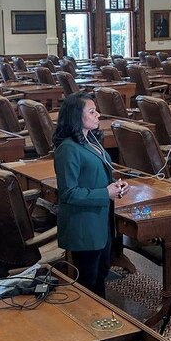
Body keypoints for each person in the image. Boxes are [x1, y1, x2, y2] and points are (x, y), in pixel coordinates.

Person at [52, 92, 128, 297]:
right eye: (92, 111)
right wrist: (105, 193)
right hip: (83, 225)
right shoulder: (68, 149)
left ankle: (101, 320)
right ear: (77, 116)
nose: (98, 115)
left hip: (100, 221)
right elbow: (68, 193)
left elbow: (94, 176)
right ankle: (90, 323)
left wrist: (114, 187)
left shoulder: (89, 141)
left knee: (101, 273)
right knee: (88, 281)